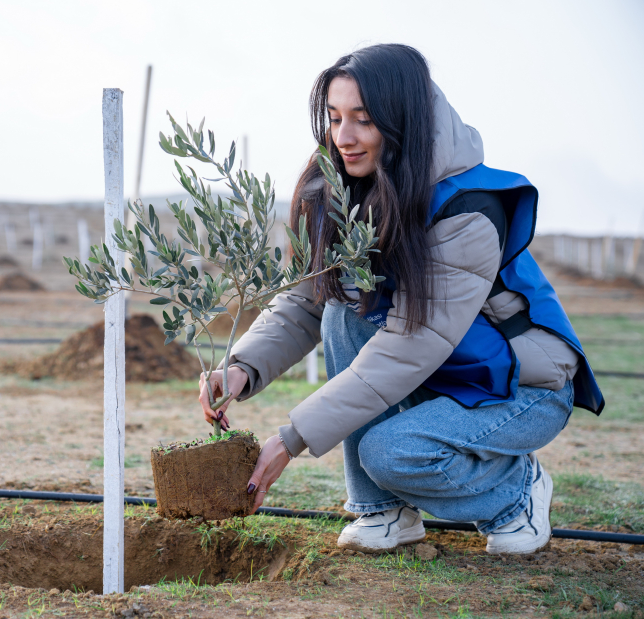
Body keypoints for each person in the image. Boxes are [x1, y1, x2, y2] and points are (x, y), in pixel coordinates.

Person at [198, 43, 604, 555]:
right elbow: (309, 299)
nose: (343, 138)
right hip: (447, 373)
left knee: (392, 453)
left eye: (363, 120)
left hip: (524, 385)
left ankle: (516, 494)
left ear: (403, 120)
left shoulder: (466, 211)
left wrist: (291, 439)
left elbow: (411, 345)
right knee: (342, 309)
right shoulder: (341, 186)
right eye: (334, 118)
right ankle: (383, 512)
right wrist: (242, 366)